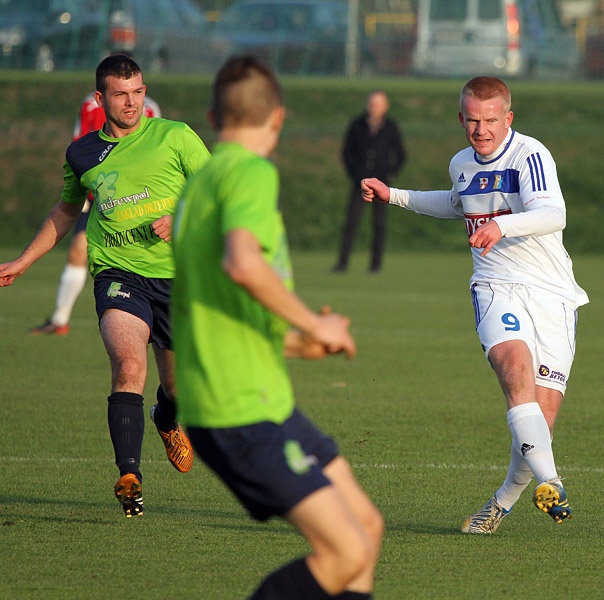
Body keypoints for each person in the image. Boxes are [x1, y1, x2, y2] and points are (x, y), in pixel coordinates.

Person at [172, 55, 383, 599]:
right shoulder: (249, 172)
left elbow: (219, 311)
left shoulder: (199, 185)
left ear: (212, 116)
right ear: (279, 118)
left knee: (366, 528)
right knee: (346, 550)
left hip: (261, 395)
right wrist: (317, 322)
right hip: (238, 408)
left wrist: (297, 341)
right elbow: (242, 264)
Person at [361, 75, 589, 534]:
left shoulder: (530, 155)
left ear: (508, 118)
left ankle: (501, 503)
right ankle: (552, 481)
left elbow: (553, 213)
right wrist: (396, 195)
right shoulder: (461, 164)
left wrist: (502, 227)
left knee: (541, 417)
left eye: (490, 120)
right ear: (460, 117)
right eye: (472, 120)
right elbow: (457, 203)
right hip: (494, 283)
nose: (480, 129)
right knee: (512, 366)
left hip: (551, 293)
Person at [0, 54, 209, 517]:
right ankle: (129, 475)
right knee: (129, 362)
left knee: (176, 388)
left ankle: (167, 417)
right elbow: (67, 210)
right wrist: (25, 260)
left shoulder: (175, 135)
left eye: (137, 92)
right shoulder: (82, 153)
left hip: (177, 277)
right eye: (121, 94)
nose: (132, 103)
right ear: (101, 98)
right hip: (117, 273)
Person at [30, 91, 162, 336]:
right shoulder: (90, 106)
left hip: (136, 200)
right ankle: (60, 319)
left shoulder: (152, 109)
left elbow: (154, 150)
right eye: (119, 92)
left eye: (135, 90)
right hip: (98, 192)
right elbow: (81, 144)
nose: (129, 99)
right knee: (78, 249)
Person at [333, 90, 405, 274]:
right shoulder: (357, 125)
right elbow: (346, 153)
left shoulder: (390, 127)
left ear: (386, 106)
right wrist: (355, 174)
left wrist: (390, 174)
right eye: (372, 104)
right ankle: (342, 262)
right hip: (360, 183)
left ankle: (375, 265)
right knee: (351, 222)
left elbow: (400, 155)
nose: (374, 108)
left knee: (379, 225)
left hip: (381, 184)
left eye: (378, 104)